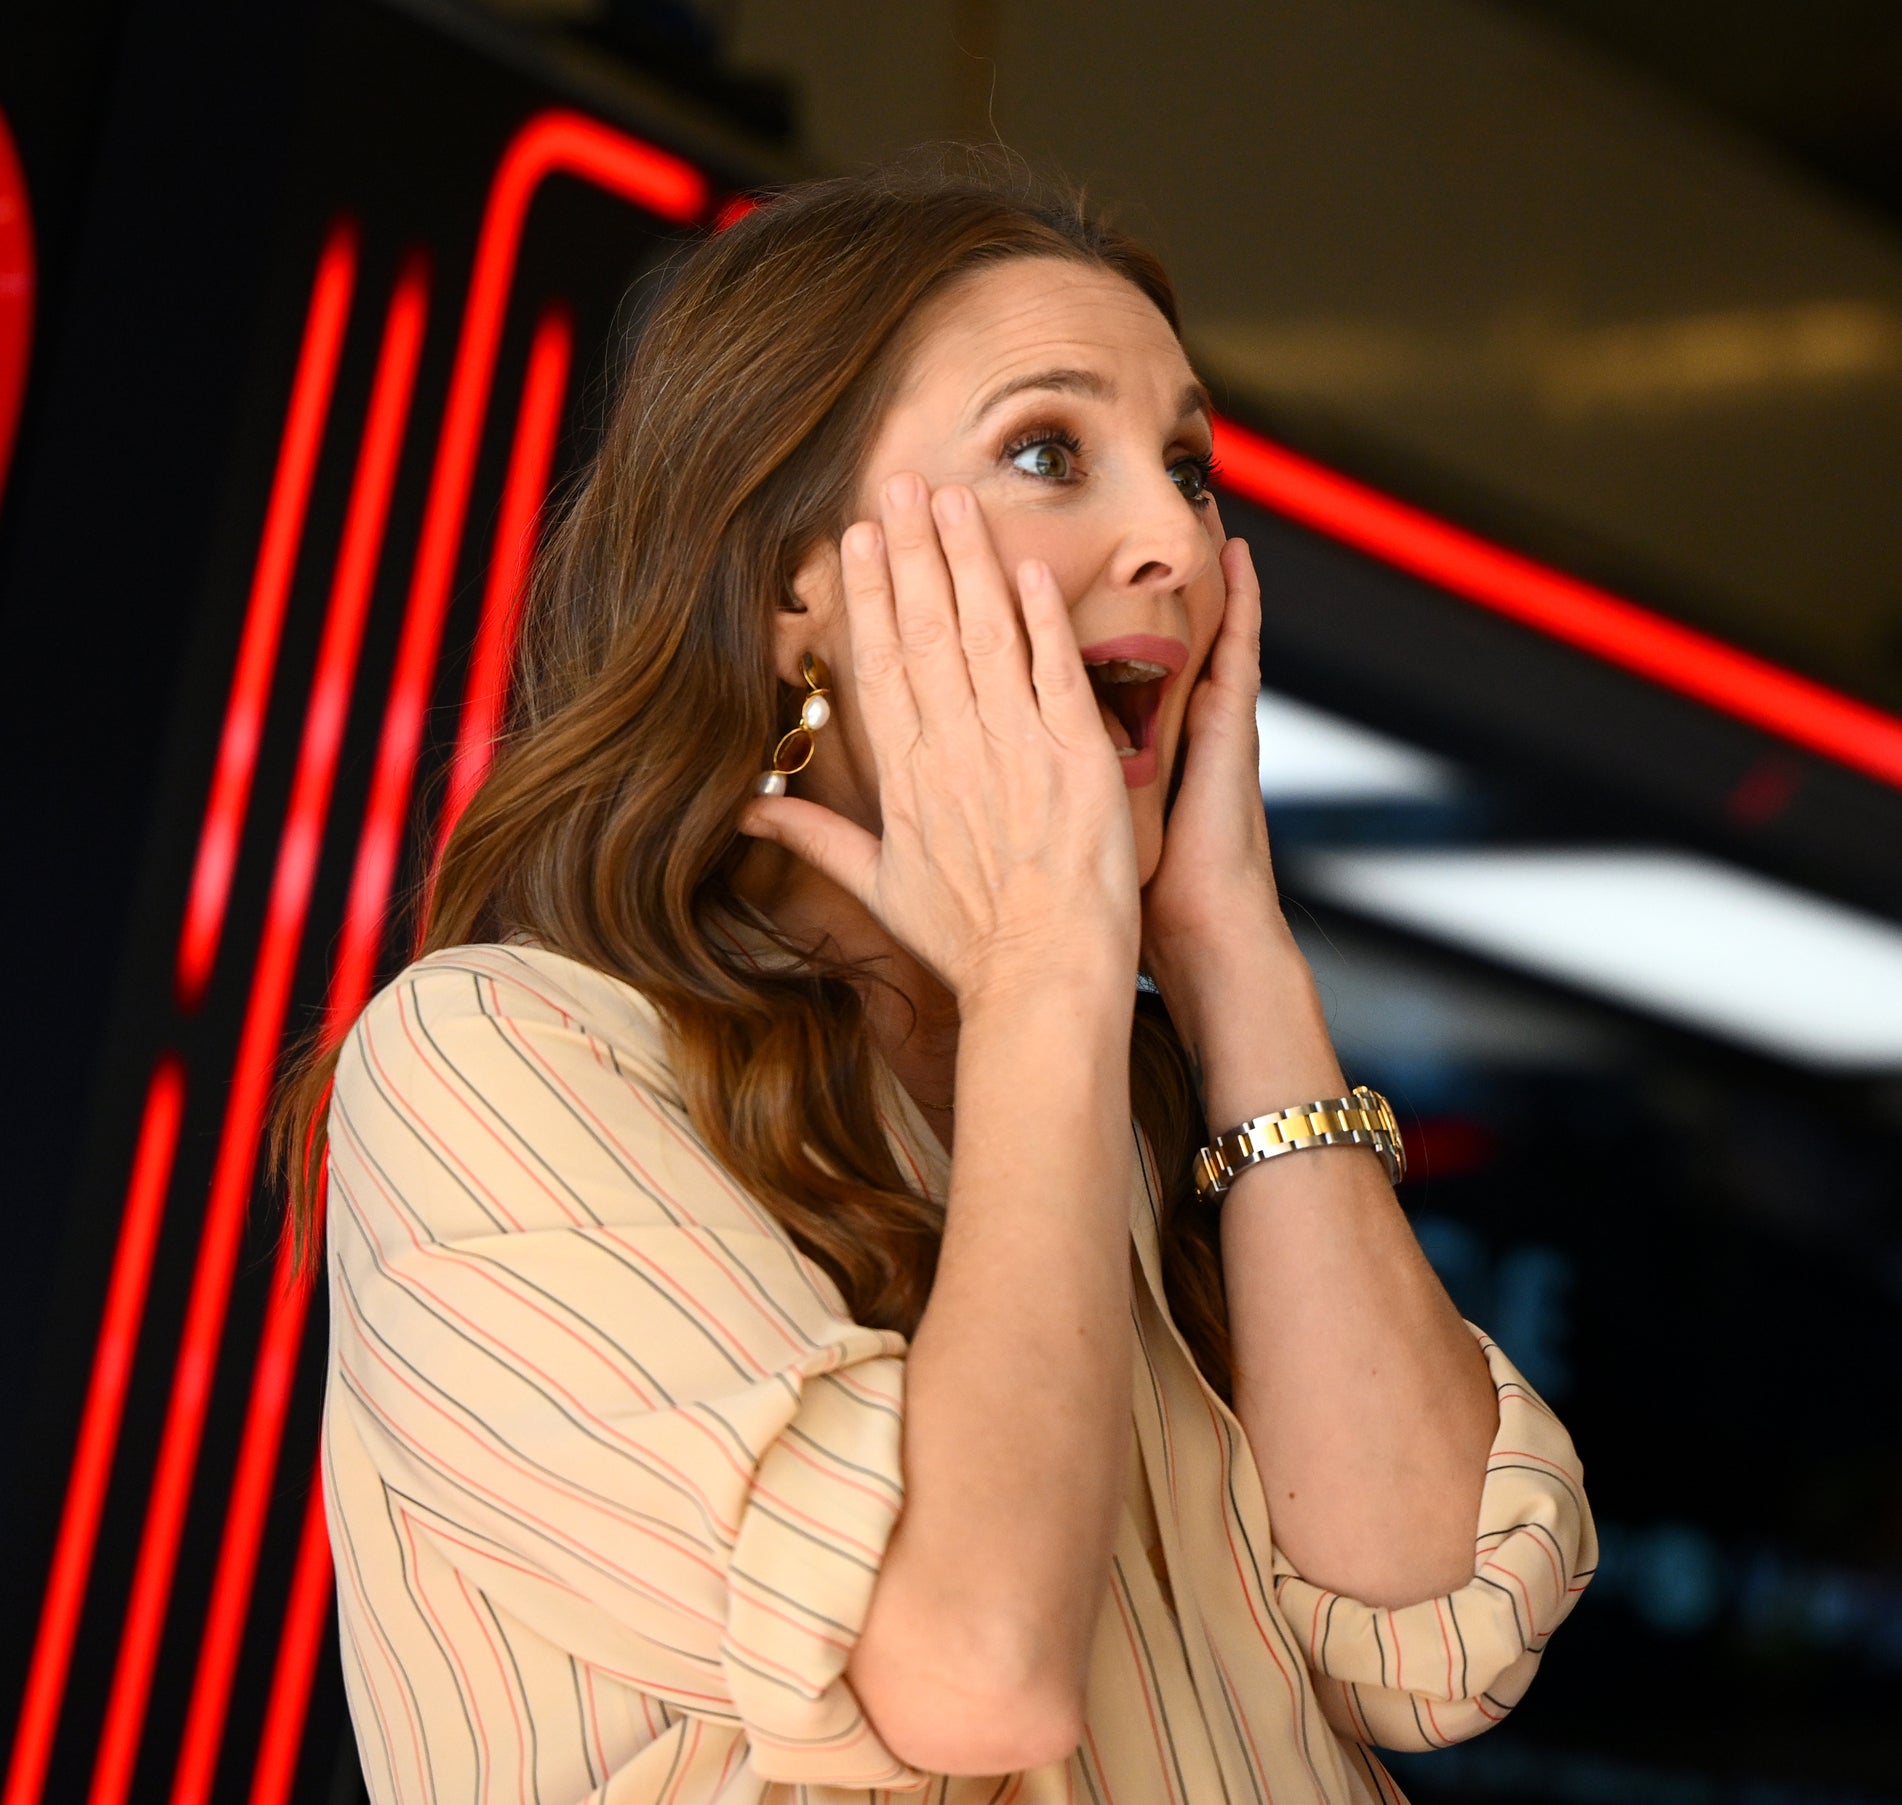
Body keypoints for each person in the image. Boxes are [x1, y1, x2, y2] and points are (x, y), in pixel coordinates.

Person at [276, 151, 1595, 1803]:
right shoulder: (497, 1060)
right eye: (1049, 450)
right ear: (784, 588)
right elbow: (971, 1667)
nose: (1173, 544)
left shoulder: (1133, 1097)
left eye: (1185, 466)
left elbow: (1433, 1633)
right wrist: (1048, 966)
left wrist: (1226, 947)